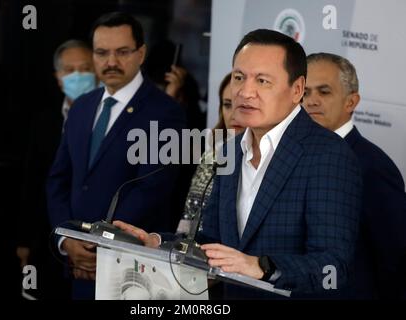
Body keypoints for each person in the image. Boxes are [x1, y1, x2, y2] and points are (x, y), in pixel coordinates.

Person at [114, 29, 363, 299]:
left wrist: (260, 267)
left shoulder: (328, 154)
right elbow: (212, 242)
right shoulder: (231, 150)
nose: (245, 92)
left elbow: (333, 268)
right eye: (239, 77)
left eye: (263, 81)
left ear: (297, 89)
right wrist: (158, 243)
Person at [46, 12, 186, 299]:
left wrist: (98, 244)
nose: (111, 62)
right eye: (102, 53)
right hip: (78, 263)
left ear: (141, 53)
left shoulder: (165, 112)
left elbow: (152, 189)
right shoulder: (82, 107)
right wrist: (67, 239)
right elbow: (59, 179)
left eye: (122, 52)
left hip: (131, 270)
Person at [303, 52, 406, 299]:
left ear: (351, 102)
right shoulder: (293, 154)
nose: (311, 101)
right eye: (305, 92)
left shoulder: (373, 167)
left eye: (324, 92)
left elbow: (396, 257)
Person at [16, 39, 96, 299]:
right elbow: (32, 181)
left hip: (93, 242)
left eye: (84, 68)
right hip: (47, 236)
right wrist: (24, 241)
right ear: (59, 78)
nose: (78, 76)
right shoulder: (44, 121)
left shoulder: (110, 119)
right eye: (70, 70)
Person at [177, 72, 244, 236]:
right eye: (227, 105)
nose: (233, 114)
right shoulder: (212, 155)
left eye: (242, 106)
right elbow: (189, 219)